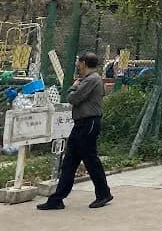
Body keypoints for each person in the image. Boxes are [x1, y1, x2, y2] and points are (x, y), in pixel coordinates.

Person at [38, 52, 113, 210]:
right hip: (82, 124)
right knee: (69, 162)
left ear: (84, 63)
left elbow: (73, 98)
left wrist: (74, 86)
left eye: (79, 62)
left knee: (91, 160)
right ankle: (57, 198)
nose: (78, 65)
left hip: (88, 123)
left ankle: (103, 193)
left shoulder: (91, 79)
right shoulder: (90, 79)